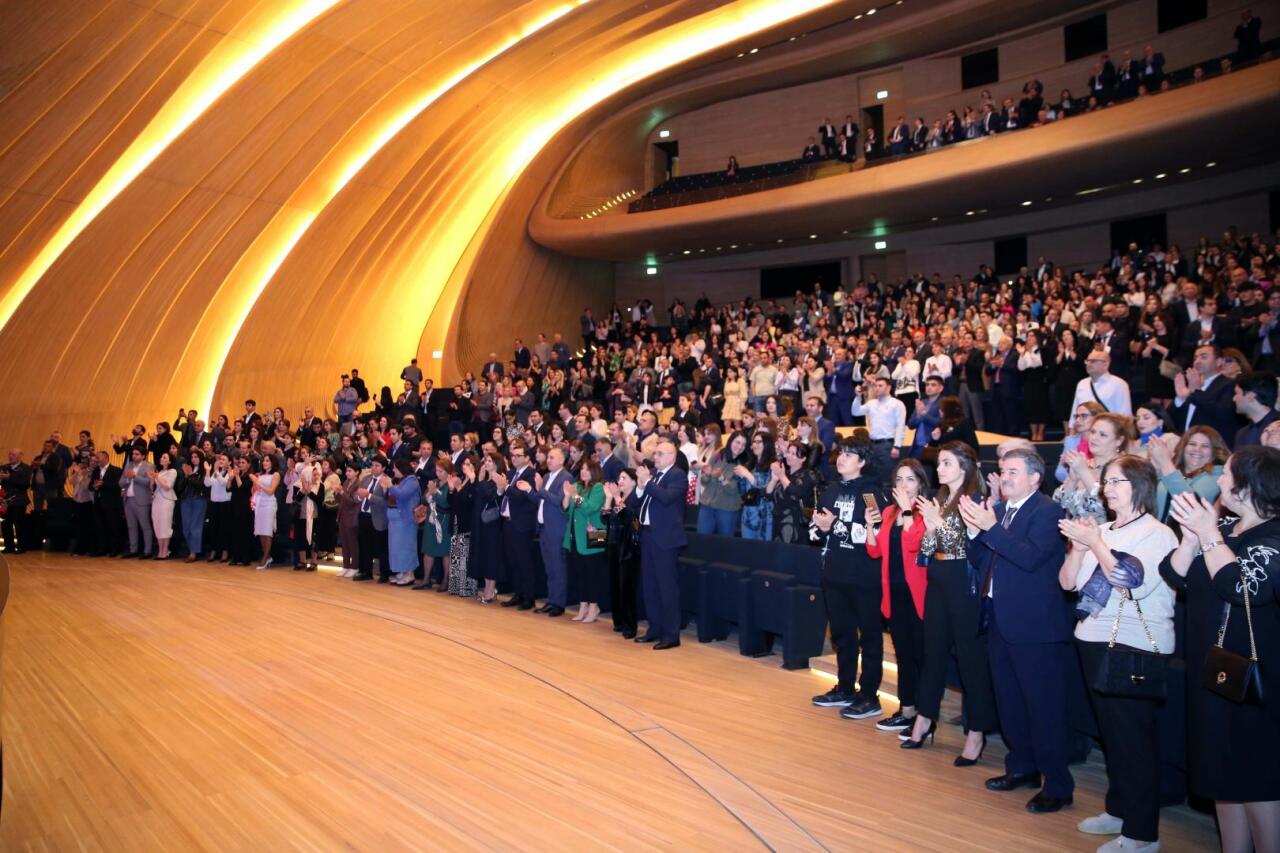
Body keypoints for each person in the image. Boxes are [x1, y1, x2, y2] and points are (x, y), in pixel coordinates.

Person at [1162, 447, 1280, 853]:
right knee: (1221, 776)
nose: (1220, 481)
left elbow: (1244, 588)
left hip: (1256, 680)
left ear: (1248, 486)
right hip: (1213, 671)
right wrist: (1193, 537)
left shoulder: (1274, 537)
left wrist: (1209, 535)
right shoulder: (1224, 526)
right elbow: (1175, 575)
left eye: (1227, 474)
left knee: (1256, 779)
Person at [1059, 455, 1178, 851]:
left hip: (1134, 646)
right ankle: (1119, 809)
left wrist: (1095, 543)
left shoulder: (1158, 534)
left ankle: (1142, 835)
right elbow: (1068, 584)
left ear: (1140, 486)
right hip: (1093, 640)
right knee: (1112, 737)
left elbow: (1130, 582)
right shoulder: (1105, 529)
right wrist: (1078, 549)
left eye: (1116, 482)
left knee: (1134, 742)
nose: (1107, 489)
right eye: (1106, 482)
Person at [961, 448, 1073, 812]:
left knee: (1043, 707)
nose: (1005, 477)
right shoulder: (999, 511)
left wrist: (989, 528)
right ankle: (1022, 767)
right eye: (1003, 471)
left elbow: (1029, 557)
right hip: (999, 618)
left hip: (1035, 626)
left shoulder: (1048, 511)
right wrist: (975, 532)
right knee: (1009, 702)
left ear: (1035, 478)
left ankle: (1057, 784)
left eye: (1013, 471)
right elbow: (982, 560)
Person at [902, 442, 995, 763]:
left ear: (964, 467)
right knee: (933, 653)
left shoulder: (975, 500)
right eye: (939, 463)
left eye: (946, 463)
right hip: (938, 577)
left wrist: (937, 523)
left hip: (963, 580)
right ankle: (925, 717)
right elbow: (928, 548)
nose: (939, 469)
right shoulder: (940, 499)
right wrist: (930, 527)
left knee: (970, 658)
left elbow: (971, 547)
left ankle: (977, 731)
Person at [809, 433, 886, 720]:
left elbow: (872, 536)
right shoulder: (830, 490)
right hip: (834, 573)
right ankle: (844, 687)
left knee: (870, 637)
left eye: (849, 455)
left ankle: (869, 696)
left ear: (862, 462)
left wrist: (835, 525)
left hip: (864, 576)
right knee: (842, 635)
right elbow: (815, 531)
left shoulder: (872, 494)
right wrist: (820, 528)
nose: (841, 458)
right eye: (840, 453)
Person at [864, 459, 927, 734]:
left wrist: (908, 511)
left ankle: (925, 716)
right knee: (902, 654)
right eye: (899, 479)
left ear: (921, 483)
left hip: (919, 597)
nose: (903, 484)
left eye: (910, 479)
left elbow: (914, 544)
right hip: (894, 594)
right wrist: (870, 526)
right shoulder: (889, 512)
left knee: (921, 656)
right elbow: (874, 551)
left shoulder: (926, 512)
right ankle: (907, 709)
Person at [629, 439, 687, 649]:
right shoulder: (652, 474)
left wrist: (648, 482)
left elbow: (666, 497)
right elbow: (634, 503)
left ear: (672, 456)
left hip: (665, 538)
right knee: (650, 586)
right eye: (655, 453)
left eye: (660, 454)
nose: (656, 457)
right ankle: (654, 629)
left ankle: (671, 635)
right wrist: (640, 486)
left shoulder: (678, 475)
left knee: (666, 587)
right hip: (647, 535)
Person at [1056, 413, 1135, 523]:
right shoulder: (1084, 464)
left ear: (1119, 441)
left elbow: (1107, 507)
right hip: (1073, 531)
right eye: (1093, 432)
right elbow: (1060, 504)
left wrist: (1083, 472)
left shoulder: (1125, 468)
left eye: (1103, 435)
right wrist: (1073, 480)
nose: (1094, 438)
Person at [527, 446, 571, 616]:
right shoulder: (546, 476)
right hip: (545, 528)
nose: (548, 460)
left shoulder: (566, 477)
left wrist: (541, 489)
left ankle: (559, 603)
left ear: (561, 460)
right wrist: (530, 490)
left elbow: (560, 501)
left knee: (557, 567)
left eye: (552, 457)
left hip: (556, 528)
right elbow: (540, 499)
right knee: (549, 567)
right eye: (548, 457)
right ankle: (551, 600)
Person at [1150, 427, 1227, 522]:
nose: (1197, 449)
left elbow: (1191, 503)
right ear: (1183, 447)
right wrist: (1155, 469)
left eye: (1205, 446)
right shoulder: (1171, 469)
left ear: (1215, 451)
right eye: (1192, 444)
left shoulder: (1217, 475)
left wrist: (1165, 462)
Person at [1173, 345, 1240, 448]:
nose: (1197, 361)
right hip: (1187, 444)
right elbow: (1172, 420)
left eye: (1203, 357)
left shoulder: (1229, 384)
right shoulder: (1192, 384)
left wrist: (1196, 392)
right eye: (1195, 358)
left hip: (1214, 447)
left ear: (1219, 362)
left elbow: (1224, 413)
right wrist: (1180, 399)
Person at [565, 458, 606, 622]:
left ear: (594, 472)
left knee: (592, 574)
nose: (583, 471)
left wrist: (575, 496)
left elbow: (590, 508)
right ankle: (583, 606)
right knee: (580, 573)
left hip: (595, 534)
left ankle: (594, 607)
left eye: (587, 469)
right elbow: (568, 510)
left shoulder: (598, 488)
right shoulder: (578, 486)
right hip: (577, 535)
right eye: (582, 468)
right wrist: (568, 496)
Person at [499, 442, 540, 610]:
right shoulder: (510, 473)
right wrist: (501, 488)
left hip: (522, 525)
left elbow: (522, 497)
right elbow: (506, 495)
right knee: (513, 561)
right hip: (508, 522)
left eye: (518, 455)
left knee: (524, 562)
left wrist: (506, 487)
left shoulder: (531, 475)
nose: (514, 458)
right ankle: (518, 593)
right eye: (512, 455)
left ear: (527, 458)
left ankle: (529, 597)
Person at [603, 468, 640, 638]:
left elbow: (630, 519)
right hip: (613, 545)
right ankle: (618, 621)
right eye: (619, 478)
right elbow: (605, 518)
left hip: (628, 548)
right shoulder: (619, 498)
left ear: (634, 481)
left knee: (627, 588)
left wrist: (617, 497)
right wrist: (609, 498)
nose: (620, 481)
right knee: (614, 585)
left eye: (624, 478)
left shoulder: (635, 498)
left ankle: (629, 625)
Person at [852, 376, 907, 484]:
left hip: (887, 445)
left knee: (886, 478)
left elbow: (901, 426)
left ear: (888, 388)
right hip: (872, 444)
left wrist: (897, 446)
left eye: (880, 386)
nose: (877, 388)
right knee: (872, 477)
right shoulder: (871, 403)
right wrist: (858, 397)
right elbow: (855, 412)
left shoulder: (896, 404)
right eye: (876, 386)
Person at [696, 428, 744, 536]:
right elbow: (704, 480)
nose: (740, 447)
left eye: (743, 445)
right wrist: (707, 474)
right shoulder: (719, 454)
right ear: (731, 441)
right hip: (707, 506)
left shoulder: (743, 463)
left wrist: (721, 478)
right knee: (702, 540)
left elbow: (734, 490)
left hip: (727, 509)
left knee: (724, 543)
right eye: (738, 442)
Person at [353, 456, 389, 581]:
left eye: (377, 465)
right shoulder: (366, 479)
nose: (374, 468)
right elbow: (356, 496)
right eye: (372, 465)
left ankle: (384, 574)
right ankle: (365, 572)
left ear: (383, 468)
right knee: (364, 545)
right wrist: (359, 496)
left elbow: (385, 502)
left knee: (381, 547)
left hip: (378, 518)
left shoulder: (387, 480)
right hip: (364, 515)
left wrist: (369, 496)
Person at [737, 432, 775, 541]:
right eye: (754, 441)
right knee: (747, 549)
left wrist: (748, 475)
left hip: (765, 516)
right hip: (748, 514)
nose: (755, 444)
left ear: (767, 444)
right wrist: (740, 478)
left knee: (763, 549)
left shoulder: (773, 465)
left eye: (759, 442)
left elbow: (766, 489)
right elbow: (742, 492)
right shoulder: (750, 464)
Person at [1072, 351, 1132, 416]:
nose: (1088, 364)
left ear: (1106, 364)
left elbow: (1125, 415)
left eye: (1093, 361)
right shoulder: (1081, 384)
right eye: (1087, 361)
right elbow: (1075, 412)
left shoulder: (1119, 384)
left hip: (1108, 422)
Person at [1057, 402, 1105, 483]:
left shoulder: (1103, 442)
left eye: (1084, 416)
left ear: (1097, 418)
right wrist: (1068, 467)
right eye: (1077, 416)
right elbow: (1059, 474)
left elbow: (1103, 476)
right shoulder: (1071, 441)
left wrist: (1081, 468)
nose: (1078, 420)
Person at [121, 447, 154, 558]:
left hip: (142, 500)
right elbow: (120, 482)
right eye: (133, 454)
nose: (134, 456)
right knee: (131, 526)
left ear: (143, 456)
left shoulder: (149, 466)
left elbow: (149, 482)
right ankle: (133, 550)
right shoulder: (129, 465)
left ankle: (148, 551)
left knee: (145, 526)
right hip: (128, 499)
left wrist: (135, 476)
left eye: (137, 454)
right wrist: (128, 479)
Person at [1234, 371, 1279, 448]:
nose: (1234, 399)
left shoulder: (1277, 428)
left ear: (1250, 396)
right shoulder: (1241, 433)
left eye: (1237, 393)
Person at [250, 454, 280, 570]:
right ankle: (267, 556)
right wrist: (254, 483)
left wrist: (257, 482)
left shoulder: (276, 474)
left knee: (267, 531)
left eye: (267, 461)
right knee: (261, 531)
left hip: (269, 503)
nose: (264, 463)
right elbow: (254, 490)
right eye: (263, 461)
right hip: (260, 503)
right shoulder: (261, 475)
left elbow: (271, 491)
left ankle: (265, 557)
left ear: (272, 462)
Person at [335, 462, 362, 577]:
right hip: (343, 515)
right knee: (344, 542)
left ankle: (354, 567)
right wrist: (337, 492)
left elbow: (352, 501)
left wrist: (342, 492)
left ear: (357, 472)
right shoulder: (346, 482)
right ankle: (345, 566)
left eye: (350, 471)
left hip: (352, 516)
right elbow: (340, 500)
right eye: (347, 471)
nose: (347, 473)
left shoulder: (359, 484)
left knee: (352, 543)